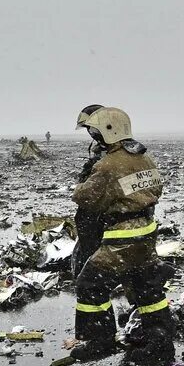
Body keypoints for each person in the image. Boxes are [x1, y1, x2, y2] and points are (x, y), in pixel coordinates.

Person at [70, 107, 175, 362]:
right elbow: (156, 188)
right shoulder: (143, 157)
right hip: (147, 232)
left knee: (90, 285)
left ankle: (100, 341)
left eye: (95, 132)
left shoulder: (108, 165)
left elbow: (84, 197)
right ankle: (161, 341)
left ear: (107, 130)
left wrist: (84, 183)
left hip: (121, 238)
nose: (94, 136)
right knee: (146, 286)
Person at [72, 104, 107, 278]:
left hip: (102, 216)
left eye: (91, 128)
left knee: (93, 275)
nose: (90, 132)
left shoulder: (114, 152)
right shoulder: (101, 148)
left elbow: (88, 191)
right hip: (96, 215)